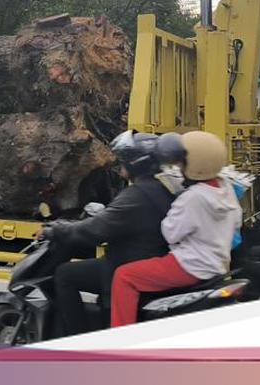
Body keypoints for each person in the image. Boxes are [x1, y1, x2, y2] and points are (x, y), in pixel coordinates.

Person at [39, 131, 181, 336]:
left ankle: (78, 338)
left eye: (123, 159)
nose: (120, 163)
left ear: (134, 163)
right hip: (149, 257)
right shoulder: (160, 189)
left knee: (64, 274)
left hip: (125, 263)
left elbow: (96, 229)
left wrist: (55, 229)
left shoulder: (136, 195)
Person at [109, 130, 242, 328]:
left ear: (194, 166)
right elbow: (236, 224)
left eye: (181, 163)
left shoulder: (192, 198)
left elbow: (170, 233)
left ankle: (120, 339)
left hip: (189, 265)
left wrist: (176, 200)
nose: (179, 167)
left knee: (124, 276)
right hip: (217, 264)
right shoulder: (226, 189)